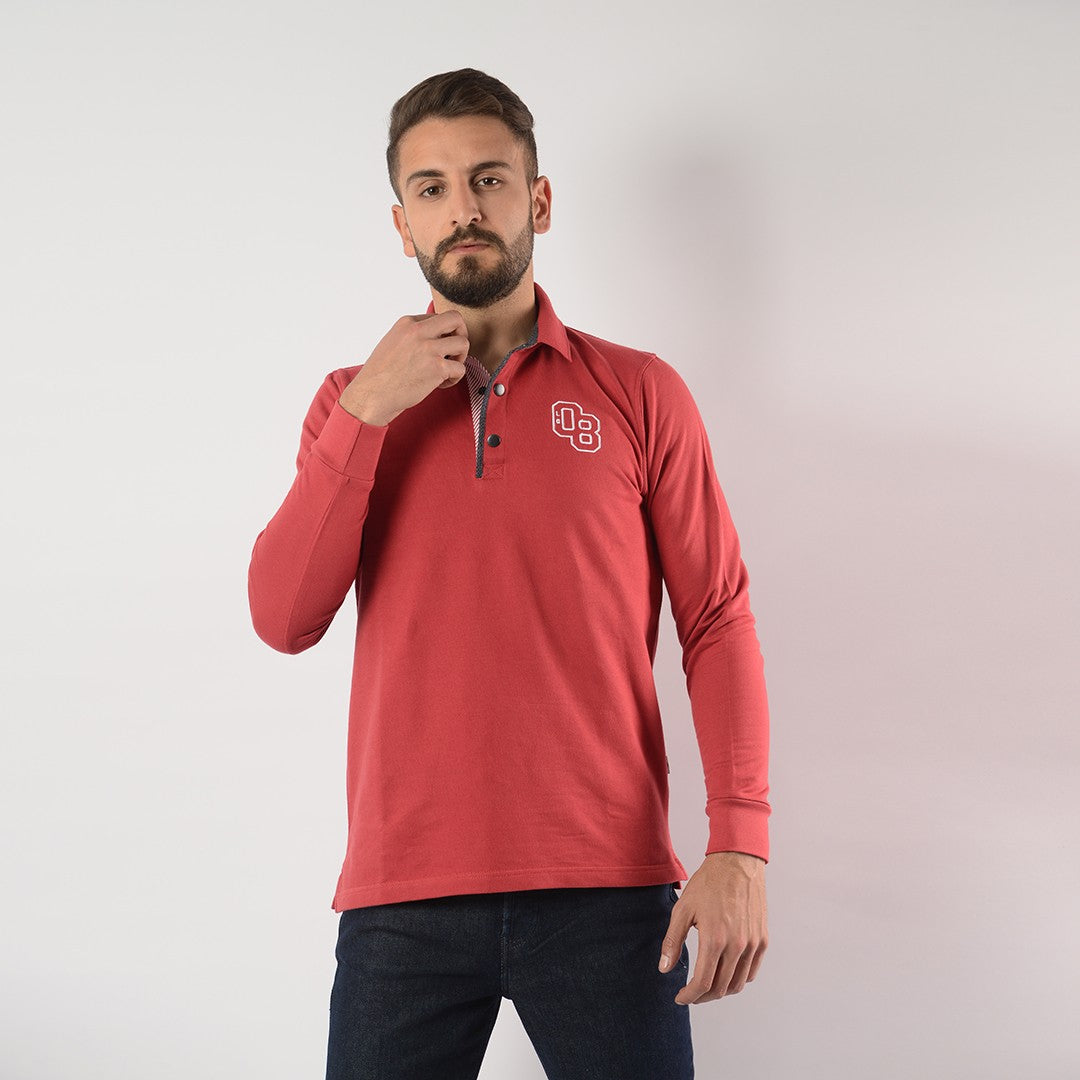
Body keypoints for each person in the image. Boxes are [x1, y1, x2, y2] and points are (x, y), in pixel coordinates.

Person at [247, 67, 771, 1080]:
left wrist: (739, 842)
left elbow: (716, 618)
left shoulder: (640, 392)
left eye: (489, 179)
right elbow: (283, 617)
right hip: (402, 899)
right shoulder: (350, 404)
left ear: (538, 200)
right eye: (432, 188)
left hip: (609, 892)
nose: (464, 209)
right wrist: (367, 412)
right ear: (402, 224)